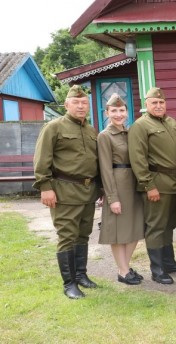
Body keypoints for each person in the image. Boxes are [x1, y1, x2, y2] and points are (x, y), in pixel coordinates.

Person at [33, 85, 100, 299]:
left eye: (84, 103)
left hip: (88, 191)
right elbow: (42, 158)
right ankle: (69, 283)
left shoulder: (90, 130)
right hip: (64, 192)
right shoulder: (54, 127)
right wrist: (45, 187)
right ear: (67, 105)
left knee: (83, 234)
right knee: (67, 236)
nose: (81, 106)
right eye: (76, 103)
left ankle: (81, 275)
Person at [128, 87, 176, 285]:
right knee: (155, 227)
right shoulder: (140, 126)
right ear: (146, 105)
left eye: (161, 102)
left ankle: (169, 262)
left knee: (169, 225)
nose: (158, 105)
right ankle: (157, 270)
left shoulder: (171, 122)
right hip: (156, 184)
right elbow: (137, 158)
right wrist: (148, 185)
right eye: (154, 102)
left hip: (174, 183)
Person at [98, 93, 145, 285]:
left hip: (133, 184)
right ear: (107, 113)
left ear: (127, 112)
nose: (118, 114)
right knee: (117, 231)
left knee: (134, 228)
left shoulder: (130, 133)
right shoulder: (105, 136)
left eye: (122, 110)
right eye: (114, 111)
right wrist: (112, 197)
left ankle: (124, 266)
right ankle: (123, 271)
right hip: (117, 184)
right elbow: (105, 169)